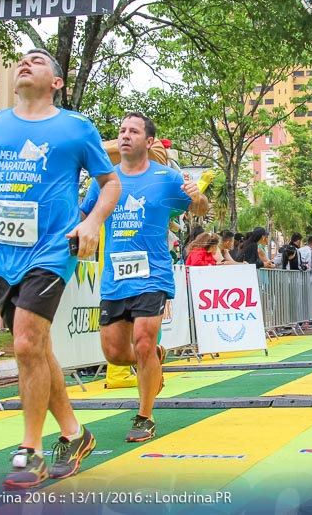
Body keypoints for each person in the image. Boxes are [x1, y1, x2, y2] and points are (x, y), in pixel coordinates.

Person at [0, 48, 121, 490]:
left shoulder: (75, 128)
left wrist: (92, 222)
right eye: (22, 59)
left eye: (39, 60)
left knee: (25, 341)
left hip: (53, 248)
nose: (26, 63)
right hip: (5, 255)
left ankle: (31, 450)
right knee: (35, 348)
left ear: (57, 83)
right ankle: (74, 433)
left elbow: (110, 184)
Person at [85, 112, 208, 443]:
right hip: (114, 277)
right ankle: (154, 357)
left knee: (142, 340)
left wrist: (197, 194)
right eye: (122, 131)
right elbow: (84, 216)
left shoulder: (166, 178)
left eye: (133, 131)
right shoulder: (105, 179)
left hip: (152, 274)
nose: (125, 136)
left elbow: (200, 209)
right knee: (115, 353)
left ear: (149, 141)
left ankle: (144, 416)